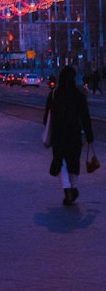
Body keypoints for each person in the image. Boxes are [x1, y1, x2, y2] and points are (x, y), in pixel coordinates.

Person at [44, 64, 95, 205]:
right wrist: (89, 135)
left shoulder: (54, 94)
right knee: (74, 162)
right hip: (74, 133)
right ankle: (74, 187)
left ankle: (67, 189)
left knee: (61, 162)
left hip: (58, 134)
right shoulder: (78, 95)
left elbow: (47, 115)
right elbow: (85, 116)